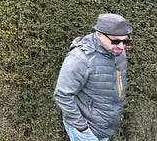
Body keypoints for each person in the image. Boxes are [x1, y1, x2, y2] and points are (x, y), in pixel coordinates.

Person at [54, 13, 132, 141]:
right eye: (115, 41)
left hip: (105, 127)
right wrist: (83, 128)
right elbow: (62, 95)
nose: (121, 46)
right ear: (99, 34)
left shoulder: (118, 53)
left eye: (126, 41)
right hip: (86, 131)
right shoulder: (80, 58)